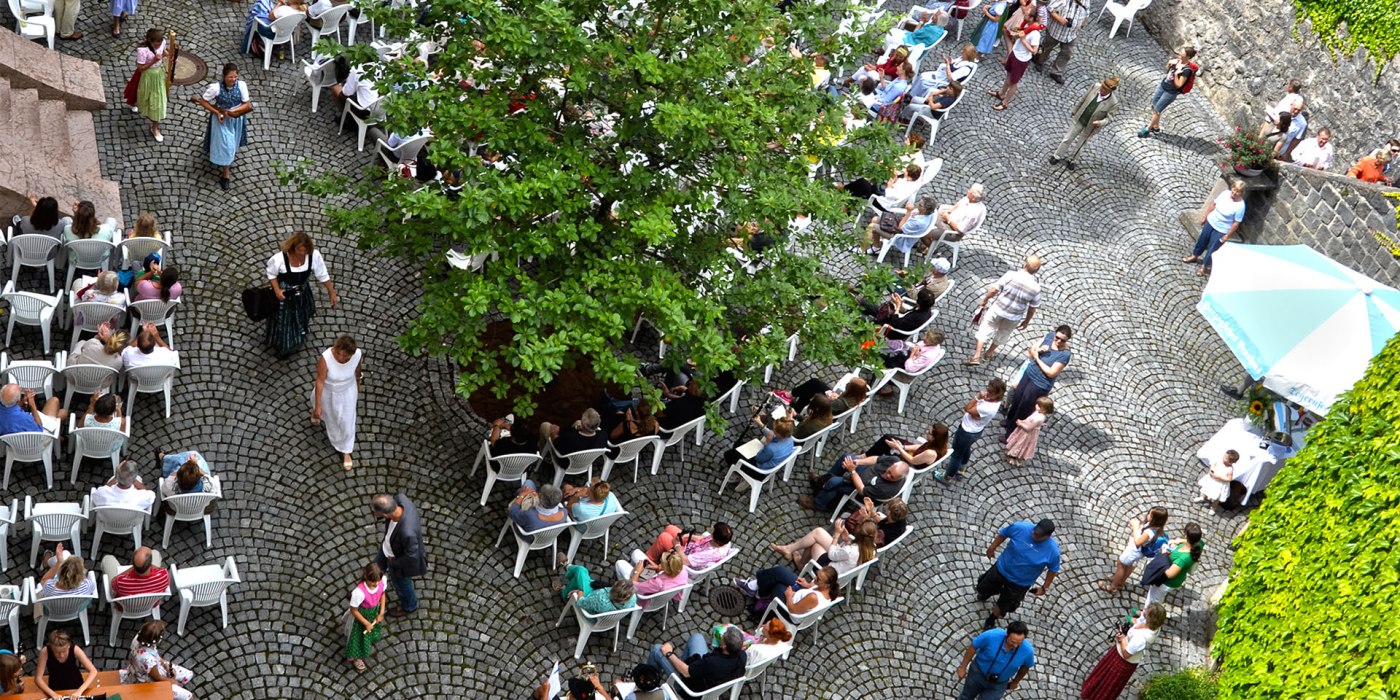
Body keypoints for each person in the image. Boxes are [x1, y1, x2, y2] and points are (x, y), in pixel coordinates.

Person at [977, 519, 1061, 628]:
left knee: (1004, 604)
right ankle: (986, 593)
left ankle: (992, 618)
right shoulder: (1020, 527)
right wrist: (992, 548)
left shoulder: (1053, 551)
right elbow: (1004, 533)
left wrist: (1044, 588)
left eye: (1039, 535)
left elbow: (1053, 570)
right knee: (984, 587)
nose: (1034, 535)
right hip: (1001, 569)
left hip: (1020, 583)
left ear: (1048, 536)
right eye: (1035, 532)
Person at [267, 232, 339, 356]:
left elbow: (323, 275)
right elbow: (271, 274)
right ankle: (283, 346)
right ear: (292, 247)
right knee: (284, 320)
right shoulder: (280, 258)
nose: (302, 253)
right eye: (299, 250)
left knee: (301, 314)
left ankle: (298, 336)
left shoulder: (314, 256)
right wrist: (277, 290)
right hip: (285, 293)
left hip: (302, 292)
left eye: (305, 250)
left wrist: (332, 292)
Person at [1081, 603, 1168, 699]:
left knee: (1108, 681)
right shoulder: (1154, 627)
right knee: (1105, 678)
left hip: (1122, 662)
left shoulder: (1140, 638)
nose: (1145, 609)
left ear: (1150, 618)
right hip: (1119, 655)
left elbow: (1126, 654)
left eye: (1147, 610)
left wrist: (1122, 639)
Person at [966, 256, 1041, 365]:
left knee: (986, 329)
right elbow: (1032, 309)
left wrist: (985, 299)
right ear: (1036, 271)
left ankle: (976, 356)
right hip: (1014, 317)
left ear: (1025, 264)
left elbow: (994, 290)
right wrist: (1027, 321)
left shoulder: (1011, 275)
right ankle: (988, 354)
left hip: (997, 309)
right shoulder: (1036, 288)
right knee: (1003, 334)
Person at [1002, 325, 1071, 442]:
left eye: (1062, 340)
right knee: (1017, 399)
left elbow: (1051, 373)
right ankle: (1009, 420)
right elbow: (1031, 352)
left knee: (1024, 408)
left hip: (1039, 384)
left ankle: (1011, 436)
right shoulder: (1049, 337)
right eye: (1057, 338)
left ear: (1067, 340)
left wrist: (1037, 358)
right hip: (1029, 374)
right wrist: (1038, 351)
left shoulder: (1064, 355)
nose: (1058, 341)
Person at [193, 63, 253, 190]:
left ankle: (226, 157)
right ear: (224, 76)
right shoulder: (216, 88)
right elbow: (203, 101)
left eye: (235, 76)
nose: (233, 79)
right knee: (226, 144)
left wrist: (233, 112)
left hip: (236, 119)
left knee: (232, 142)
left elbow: (246, 104)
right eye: (230, 77)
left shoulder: (241, 85)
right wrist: (217, 112)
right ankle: (226, 174)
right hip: (221, 120)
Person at [647, 626, 746, 699]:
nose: (721, 636)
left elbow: (686, 672)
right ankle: (677, 663)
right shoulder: (742, 656)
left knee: (657, 650)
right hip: (707, 680)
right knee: (697, 637)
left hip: (688, 689)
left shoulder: (712, 663)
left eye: (722, 636)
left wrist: (669, 653)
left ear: (724, 646)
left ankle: (650, 680)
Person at [937, 379, 1006, 483]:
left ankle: (947, 477)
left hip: (966, 431)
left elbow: (968, 408)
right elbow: (974, 413)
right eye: (988, 389)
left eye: (990, 391)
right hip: (976, 431)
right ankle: (961, 470)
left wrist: (977, 398)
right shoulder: (996, 401)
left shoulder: (987, 407)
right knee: (965, 449)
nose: (987, 392)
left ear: (996, 394)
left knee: (956, 455)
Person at [369, 493, 427, 616]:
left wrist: (394, 562)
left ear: (385, 514)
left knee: (401, 583)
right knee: (375, 568)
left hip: (397, 558)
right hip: (388, 548)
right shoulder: (400, 499)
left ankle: (409, 606)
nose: (373, 513)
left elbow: (412, 555)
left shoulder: (407, 533)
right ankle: (367, 590)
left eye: (374, 512)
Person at [313, 335, 363, 471]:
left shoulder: (357, 355)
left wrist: (358, 385)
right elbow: (320, 381)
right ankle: (316, 413)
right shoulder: (326, 358)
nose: (341, 358)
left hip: (347, 392)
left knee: (346, 422)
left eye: (345, 356)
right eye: (339, 354)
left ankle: (346, 450)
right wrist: (318, 406)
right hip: (329, 392)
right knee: (326, 413)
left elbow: (357, 372)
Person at [1050, 77, 1121, 169]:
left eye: (1104, 89)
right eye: (1102, 86)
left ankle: (1072, 160)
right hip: (1080, 118)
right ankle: (1057, 155)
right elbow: (1083, 99)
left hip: (1091, 127)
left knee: (1081, 144)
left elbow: (1109, 118)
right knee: (1068, 138)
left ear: (1110, 91)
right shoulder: (1095, 86)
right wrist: (1075, 110)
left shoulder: (1113, 103)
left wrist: (1101, 122)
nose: (1101, 89)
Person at [955, 620, 1036, 699]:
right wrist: (963, 667)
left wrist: (1015, 682)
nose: (1015, 645)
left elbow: (1025, 667)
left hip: (999, 684)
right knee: (966, 697)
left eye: (1019, 643)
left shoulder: (1028, 651)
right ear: (1007, 634)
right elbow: (973, 647)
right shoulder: (991, 635)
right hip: (977, 674)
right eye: (1012, 641)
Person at [801, 454, 909, 511]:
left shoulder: (886, 489)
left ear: (898, 479)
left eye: (891, 476)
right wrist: (858, 461)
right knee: (847, 457)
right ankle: (823, 481)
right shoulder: (894, 460)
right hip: (864, 472)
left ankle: (819, 503)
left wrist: (852, 470)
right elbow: (877, 459)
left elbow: (862, 490)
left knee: (834, 482)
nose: (887, 475)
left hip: (860, 491)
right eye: (889, 471)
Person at [770, 516, 877, 574]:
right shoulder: (872, 549)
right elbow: (850, 555)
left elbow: (832, 555)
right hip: (843, 566)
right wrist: (846, 540)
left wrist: (836, 535)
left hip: (828, 571)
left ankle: (801, 563)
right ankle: (789, 549)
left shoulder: (850, 550)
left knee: (815, 543)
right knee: (818, 533)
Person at [1183, 179, 1246, 277]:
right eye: (1234, 189)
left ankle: (1204, 266)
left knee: (1213, 248)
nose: (1234, 192)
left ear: (1241, 193)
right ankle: (1194, 256)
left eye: (1237, 191)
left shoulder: (1240, 206)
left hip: (1222, 229)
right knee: (1202, 240)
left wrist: (1227, 235)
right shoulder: (1225, 193)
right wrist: (1205, 216)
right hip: (1211, 221)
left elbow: (1236, 223)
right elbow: (1213, 204)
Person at [1100, 507, 1168, 593]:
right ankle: (1120, 581)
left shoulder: (1149, 532)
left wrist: (1135, 527)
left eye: (1150, 514)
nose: (1148, 515)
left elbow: (1137, 542)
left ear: (1155, 519)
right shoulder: (1157, 528)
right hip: (1138, 552)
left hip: (1134, 551)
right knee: (1128, 565)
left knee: (1121, 564)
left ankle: (1114, 586)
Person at [122, 621, 194, 700]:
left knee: (188, 675)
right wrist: (171, 681)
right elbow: (158, 678)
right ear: (157, 640)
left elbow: (155, 655)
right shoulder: (149, 660)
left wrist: (165, 664)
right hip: (148, 683)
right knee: (189, 696)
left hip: (145, 668)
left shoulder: (141, 638)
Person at [1138, 47, 1197, 138]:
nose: (1179, 53)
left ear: (1188, 56)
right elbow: (1167, 72)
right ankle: (1156, 127)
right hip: (1162, 86)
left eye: (1182, 53)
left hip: (1170, 93)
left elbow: (1179, 85)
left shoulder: (1187, 70)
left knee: (1157, 110)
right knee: (1154, 105)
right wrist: (1169, 64)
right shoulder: (1177, 61)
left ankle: (1148, 129)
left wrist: (1177, 74)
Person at [739, 565, 840, 617]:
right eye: (816, 575)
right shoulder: (826, 588)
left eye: (818, 579)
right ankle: (755, 587)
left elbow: (792, 609)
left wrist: (788, 595)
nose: (814, 579)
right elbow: (814, 588)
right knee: (780, 572)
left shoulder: (813, 598)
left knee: (777, 583)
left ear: (827, 585)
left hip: (789, 607)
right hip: (799, 594)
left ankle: (757, 590)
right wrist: (808, 585)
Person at [1142, 523, 1203, 608]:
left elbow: (1170, 574)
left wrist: (1164, 554)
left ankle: (1144, 619)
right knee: (1159, 598)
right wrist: (1177, 542)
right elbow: (1191, 541)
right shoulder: (1198, 544)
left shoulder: (1183, 558)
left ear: (1186, 535)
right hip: (1178, 579)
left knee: (1153, 600)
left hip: (1166, 582)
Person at [988, 17, 1041, 111]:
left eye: (1026, 14)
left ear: (1032, 18)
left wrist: (1024, 40)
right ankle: (1001, 93)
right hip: (1015, 53)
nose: (1024, 14)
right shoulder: (1025, 24)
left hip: (1021, 60)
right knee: (1008, 74)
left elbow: (1034, 51)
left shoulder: (1035, 34)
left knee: (1014, 82)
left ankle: (1005, 103)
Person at [344, 561, 387, 671]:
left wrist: (381, 612)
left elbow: (382, 594)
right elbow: (354, 610)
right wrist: (366, 623)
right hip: (361, 618)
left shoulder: (381, 581)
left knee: (369, 633)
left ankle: (367, 641)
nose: (376, 584)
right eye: (373, 582)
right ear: (366, 577)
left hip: (373, 612)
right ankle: (355, 657)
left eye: (378, 582)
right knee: (356, 637)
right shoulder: (359, 593)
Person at [1034, 0, 1089, 84]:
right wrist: (1060, 19)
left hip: (1071, 35)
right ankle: (1038, 60)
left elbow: (1087, 12)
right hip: (1055, 30)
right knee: (1045, 46)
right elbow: (1050, 8)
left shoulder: (1086, 1)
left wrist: (1082, 24)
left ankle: (1056, 72)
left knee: (1067, 53)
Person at [33, 629, 99, 699]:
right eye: (57, 652)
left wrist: (80, 691)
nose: (61, 655)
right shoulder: (45, 652)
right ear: (51, 648)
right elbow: (38, 678)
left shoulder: (75, 649)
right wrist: (52, 693)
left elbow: (93, 671)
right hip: (55, 688)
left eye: (64, 651)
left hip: (76, 686)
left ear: (68, 646)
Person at [643, 522, 734, 571]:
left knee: (664, 537)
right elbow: (704, 538)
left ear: (715, 537)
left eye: (712, 529)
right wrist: (687, 536)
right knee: (670, 528)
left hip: (685, 558)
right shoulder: (723, 541)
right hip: (692, 548)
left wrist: (677, 544)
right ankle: (658, 554)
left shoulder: (709, 554)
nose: (711, 527)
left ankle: (649, 560)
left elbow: (685, 561)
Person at [106, 546, 170, 610]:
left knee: (108, 559)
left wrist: (132, 568)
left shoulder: (120, 582)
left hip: (126, 608)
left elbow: (113, 583)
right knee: (156, 553)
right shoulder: (164, 575)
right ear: (150, 564)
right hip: (150, 605)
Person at [133, 29, 167, 142]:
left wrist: (167, 54)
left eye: (159, 44)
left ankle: (154, 127)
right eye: (156, 45)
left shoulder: (162, 43)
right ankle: (134, 102)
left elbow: (164, 52)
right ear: (150, 41)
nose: (158, 47)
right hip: (147, 77)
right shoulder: (143, 51)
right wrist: (153, 61)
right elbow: (140, 69)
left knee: (157, 102)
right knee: (144, 97)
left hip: (158, 76)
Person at [615, 548, 689, 601]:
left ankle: (622, 589)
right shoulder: (683, 570)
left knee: (620, 563)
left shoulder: (657, 583)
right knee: (636, 552)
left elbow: (633, 586)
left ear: (666, 568)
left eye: (661, 563)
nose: (659, 563)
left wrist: (637, 571)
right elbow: (669, 572)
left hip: (647, 598)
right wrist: (657, 567)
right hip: (660, 586)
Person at [558, 566, 637, 614]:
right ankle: (568, 571)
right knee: (581, 577)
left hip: (591, 612)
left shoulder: (600, 599)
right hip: (607, 620)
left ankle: (565, 589)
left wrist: (579, 592)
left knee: (581, 570)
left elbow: (581, 603)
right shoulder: (633, 598)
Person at [1005, 396, 1052, 464]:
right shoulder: (1038, 412)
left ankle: (1015, 457)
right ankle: (1011, 451)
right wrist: (1023, 421)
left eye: (1038, 405)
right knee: (1017, 441)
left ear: (1044, 409)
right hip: (1024, 428)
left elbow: (1028, 428)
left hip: (1026, 434)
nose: (1036, 405)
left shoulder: (1039, 418)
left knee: (1021, 443)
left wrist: (1020, 424)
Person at [81, 392, 127, 459]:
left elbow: (80, 427)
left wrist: (91, 404)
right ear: (113, 411)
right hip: (110, 447)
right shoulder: (121, 422)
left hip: (88, 445)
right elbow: (121, 434)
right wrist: (119, 411)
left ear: (95, 408)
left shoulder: (87, 418)